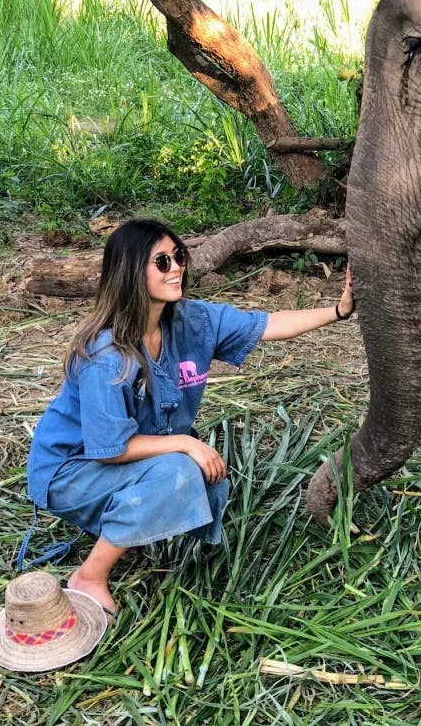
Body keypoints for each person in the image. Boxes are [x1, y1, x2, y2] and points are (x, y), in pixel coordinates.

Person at [26, 218, 355, 617]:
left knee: (205, 476)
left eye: (178, 255)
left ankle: (124, 524)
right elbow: (109, 448)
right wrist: (186, 443)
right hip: (71, 470)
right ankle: (89, 576)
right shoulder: (107, 356)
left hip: (126, 455)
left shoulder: (189, 320)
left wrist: (339, 310)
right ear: (131, 271)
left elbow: (269, 323)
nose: (177, 267)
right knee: (180, 474)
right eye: (162, 261)